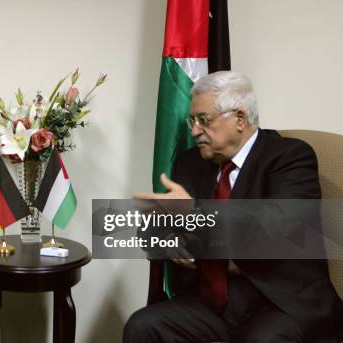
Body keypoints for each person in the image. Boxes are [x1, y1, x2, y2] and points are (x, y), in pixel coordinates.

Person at [124, 71, 341, 342]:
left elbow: (277, 226)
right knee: (143, 326)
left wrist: (194, 211)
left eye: (204, 120)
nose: (194, 131)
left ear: (239, 118)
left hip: (279, 301)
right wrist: (167, 239)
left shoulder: (290, 157)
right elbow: (152, 230)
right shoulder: (189, 163)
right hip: (212, 300)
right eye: (192, 120)